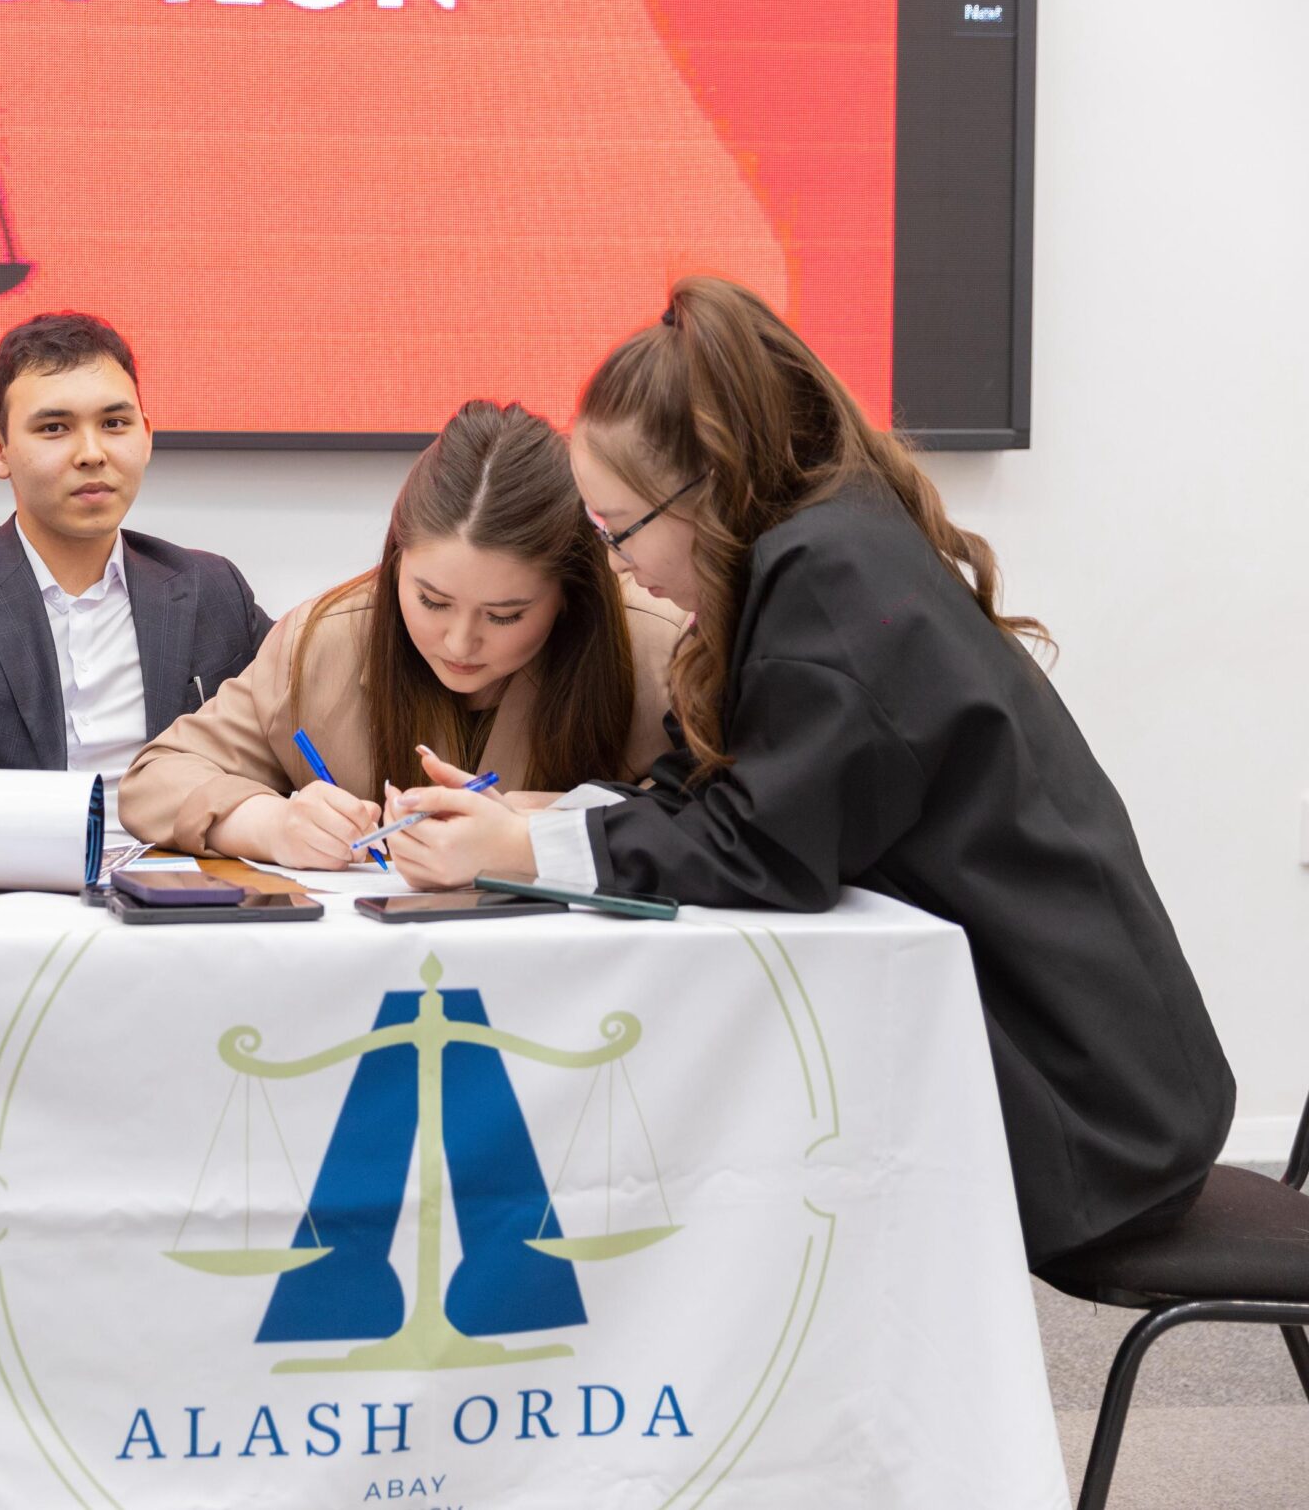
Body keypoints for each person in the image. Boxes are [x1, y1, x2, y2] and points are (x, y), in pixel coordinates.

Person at [391, 276, 1233, 1269]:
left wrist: (526, 847)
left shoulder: (826, 580)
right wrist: (539, 815)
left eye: (617, 527)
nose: (615, 562)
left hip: (1090, 1122)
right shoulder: (822, 545)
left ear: (701, 491)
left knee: (709, 1173)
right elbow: (734, 792)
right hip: (1105, 1080)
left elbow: (764, 849)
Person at [119, 401, 680, 867]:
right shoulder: (324, 642)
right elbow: (155, 779)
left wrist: (539, 830)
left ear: (570, 595)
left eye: (504, 615)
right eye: (432, 601)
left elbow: (711, 821)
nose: (459, 643)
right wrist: (270, 824)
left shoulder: (656, 647)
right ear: (394, 565)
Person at [0, 311, 271, 830]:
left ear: (146, 437)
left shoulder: (211, 588)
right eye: (55, 428)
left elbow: (301, 726)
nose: (92, 454)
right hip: (3, 874)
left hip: (184, 870)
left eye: (114, 424)